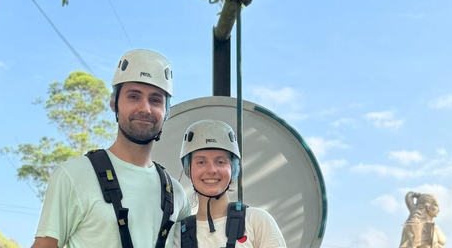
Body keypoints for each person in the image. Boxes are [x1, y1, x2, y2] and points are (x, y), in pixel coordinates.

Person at [32, 49, 191, 248]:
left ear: (166, 111)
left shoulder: (176, 193)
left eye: (155, 100)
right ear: (114, 103)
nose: (145, 108)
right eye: (134, 97)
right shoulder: (73, 176)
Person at [174, 119, 286, 248]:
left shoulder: (257, 221)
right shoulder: (178, 234)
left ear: (233, 168)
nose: (211, 170)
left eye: (220, 162)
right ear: (188, 169)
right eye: (201, 162)